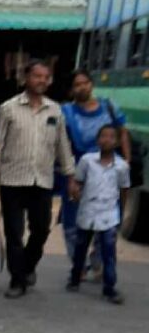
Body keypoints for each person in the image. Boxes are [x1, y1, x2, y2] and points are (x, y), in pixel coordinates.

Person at [0, 59, 75, 298]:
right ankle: (17, 280)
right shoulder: (9, 108)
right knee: (14, 232)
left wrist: (70, 176)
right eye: (37, 76)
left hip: (42, 180)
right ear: (26, 78)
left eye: (46, 77)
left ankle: (27, 266)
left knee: (41, 230)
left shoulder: (55, 110)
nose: (42, 81)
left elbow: (62, 145)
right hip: (12, 179)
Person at [59, 68, 130, 277]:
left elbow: (123, 132)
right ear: (72, 90)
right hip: (79, 171)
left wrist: (126, 161)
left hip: (109, 170)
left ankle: (98, 261)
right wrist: (69, 175)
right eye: (77, 84)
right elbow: (61, 143)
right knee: (73, 221)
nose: (82, 87)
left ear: (92, 84)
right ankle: (78, 264)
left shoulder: (109, 106)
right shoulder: (66, 112)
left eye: (85, 83)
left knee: (108, 217)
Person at [66, 124, 129, 305]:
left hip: (109, 214)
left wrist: (121, 212)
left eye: (111, 137)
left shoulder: (121, 167)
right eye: (103, 136)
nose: (106, 140)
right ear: (97, 140)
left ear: (116, 142)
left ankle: (109, 287)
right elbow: (78, 182)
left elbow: (124, 189)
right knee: (80, 248)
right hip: (87, 211)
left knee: (109, 252)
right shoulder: (87, 161)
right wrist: (75, 193)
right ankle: (75, 277)